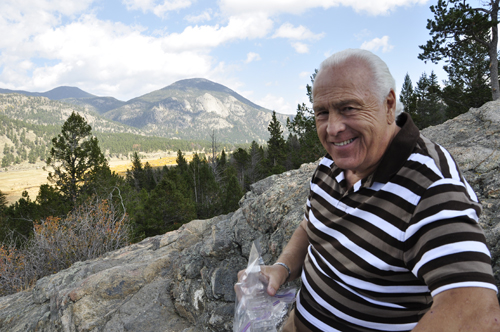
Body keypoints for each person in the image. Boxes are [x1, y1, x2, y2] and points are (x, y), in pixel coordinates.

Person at [237, 49, 500, 331]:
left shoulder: (429, 186)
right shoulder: (331, 164)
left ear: (388, 104)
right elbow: (310, 225)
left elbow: (476, 311)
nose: (333, 127)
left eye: (348, 108)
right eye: (322, 113)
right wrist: (282, 269)